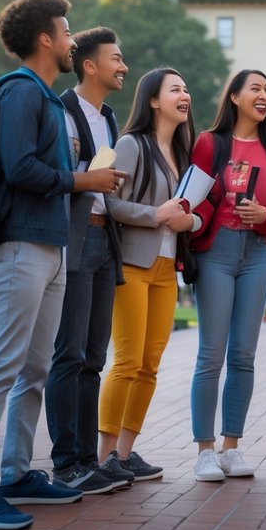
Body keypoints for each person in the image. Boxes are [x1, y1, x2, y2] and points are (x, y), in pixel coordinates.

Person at [0, 0, 124, 530]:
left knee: (35, 368)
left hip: (53, 248)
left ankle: (16, 472)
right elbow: (17, 168)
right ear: (45, 39)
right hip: (19, 246)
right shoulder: (20, 94)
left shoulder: (49, 101)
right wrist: (85, 179)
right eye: (66, 29)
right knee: (1, 366)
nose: (74, 38)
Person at [46, 27, 133, 496]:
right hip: (74, 244)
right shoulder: (61, 112)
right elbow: (53, 175)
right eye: (116, 59)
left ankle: (85, 461)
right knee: (70, 354)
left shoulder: (110, 118)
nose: (123, 67)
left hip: (105, 244)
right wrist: (88, 178)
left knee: (95, 358)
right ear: (89, 65)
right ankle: (66, 463)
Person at [187, 69, 266, 481]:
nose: (263, 96)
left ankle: (231, 447)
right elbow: (192, 196)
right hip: (217, 252)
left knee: (243, 354)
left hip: (258, 253)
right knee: (212, 353)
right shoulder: (210, 143)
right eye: (255, 89)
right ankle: (205, 451)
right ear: (235, 97)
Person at [100, 68, 196, 479]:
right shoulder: (131, 144)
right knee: (127, 360)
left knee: (150, 363)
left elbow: (186, 210)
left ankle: (124, 455)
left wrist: (186, 221)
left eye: (186, 88)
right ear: (153, 100)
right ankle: (102, 458)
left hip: (166, 269)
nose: (185, 94)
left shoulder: (182, 152)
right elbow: (106, 203)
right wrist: (155, 215)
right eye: (176, 89)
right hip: (131, 266)